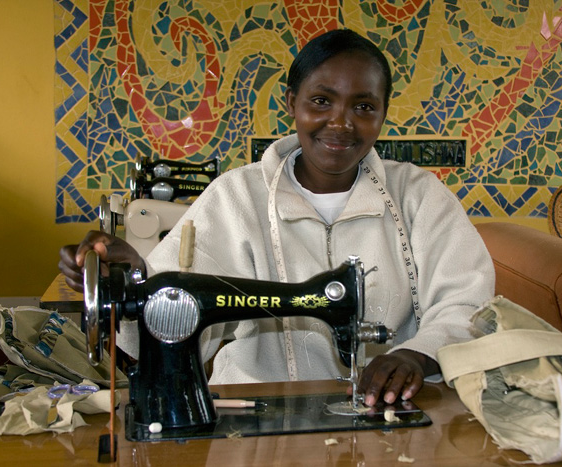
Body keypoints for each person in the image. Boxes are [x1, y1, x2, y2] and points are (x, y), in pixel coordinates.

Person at [59, 28, 495, 407]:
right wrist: (135, 277)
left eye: (364, 107)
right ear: (292, 102)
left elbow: (468, 302)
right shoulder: (236, 197)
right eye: (321, 100)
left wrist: (416, 354)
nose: (341, 123)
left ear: (383, 113)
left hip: (390, 407)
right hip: (252, 407)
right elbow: (171, 301)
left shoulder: (418, 197)